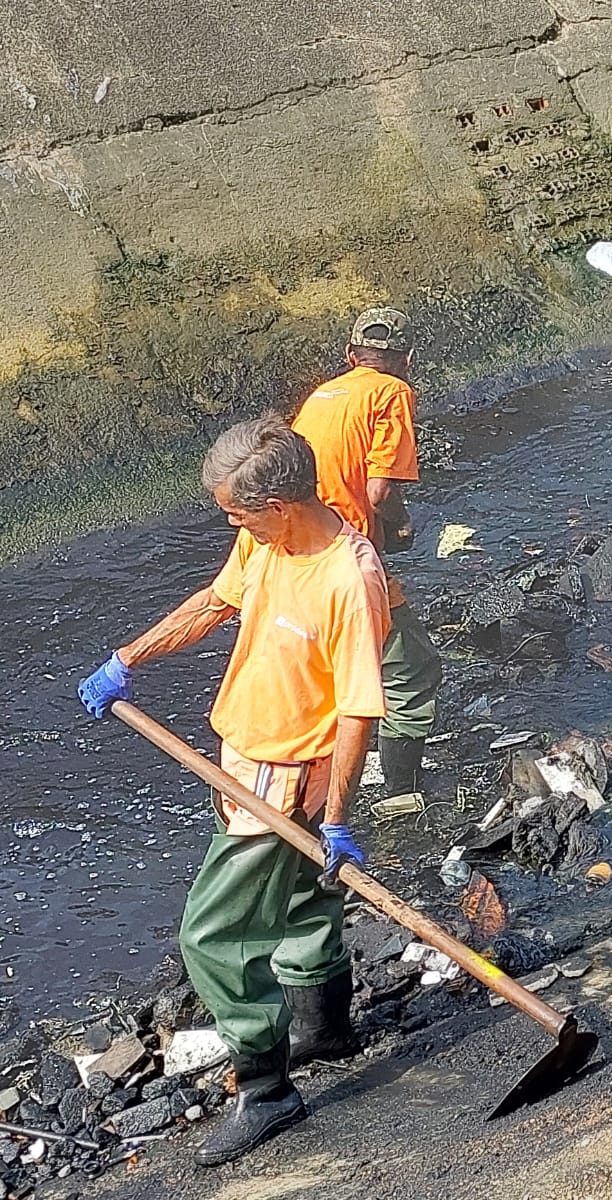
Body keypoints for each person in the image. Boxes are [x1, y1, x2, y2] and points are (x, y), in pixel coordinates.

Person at [76, 414, 389, 1167]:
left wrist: (339, 816)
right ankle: (325, 1028)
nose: (231, 522)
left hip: (286, 780)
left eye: (235, 512)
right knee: (309, 895)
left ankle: (266, 1087)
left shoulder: (349, 578)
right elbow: (219, 602)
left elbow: (356, 713)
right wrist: (128, 658)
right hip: (247, 752)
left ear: (280, 505)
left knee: (210, 935)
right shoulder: (265, 541)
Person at [290, 306, 441, 799]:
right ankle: (401, 792)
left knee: (330, 668)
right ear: (408, 359)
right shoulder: (393, 392)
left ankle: (313, 781)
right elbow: (378, 492)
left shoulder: (321, 396)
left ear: (351, 355)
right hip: (346, 555)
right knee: (411, 668)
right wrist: (400, 524)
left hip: (298, 549)